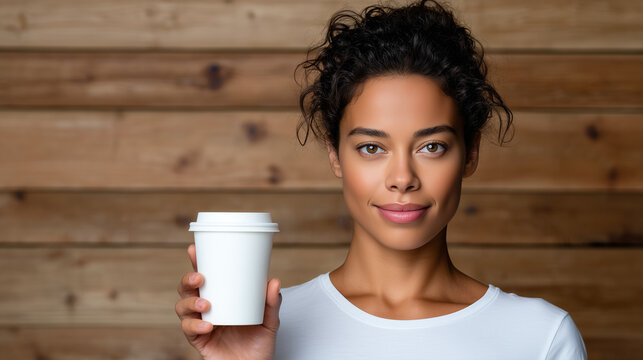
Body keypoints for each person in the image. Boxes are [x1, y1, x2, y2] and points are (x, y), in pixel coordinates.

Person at [175, 1, 588, 359]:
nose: (402, 179)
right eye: (372, 148)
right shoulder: (269, 328)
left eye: (432, 147)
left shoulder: (539, 337)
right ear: (335, 155)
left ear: (471, 152)